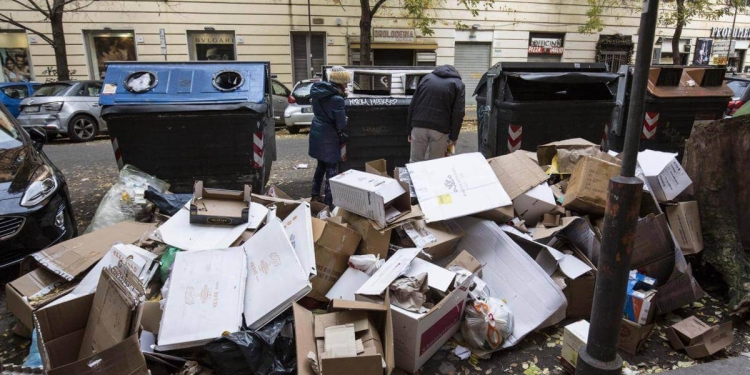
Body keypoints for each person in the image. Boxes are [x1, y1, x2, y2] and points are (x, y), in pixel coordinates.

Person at [308, 66, 350, 207]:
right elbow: (340, 123)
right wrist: (344, 132)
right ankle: (329, 203)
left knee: (320, 166)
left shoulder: (318, 93)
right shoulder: (337, 99)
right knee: (332, 169)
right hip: (329, 136)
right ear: (340, 82)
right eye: (345, 83)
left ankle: (315, 195)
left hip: (317, 131)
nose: (347, 85)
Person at [407, 65, 465, 162]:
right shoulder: (458, 84)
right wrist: (453, 137)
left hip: (418, 125)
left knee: (414, 162)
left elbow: (413, 104)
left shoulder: (426, 78)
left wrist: (409, 129)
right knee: (435, 163)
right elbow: (458, 113)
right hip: (440, 129)